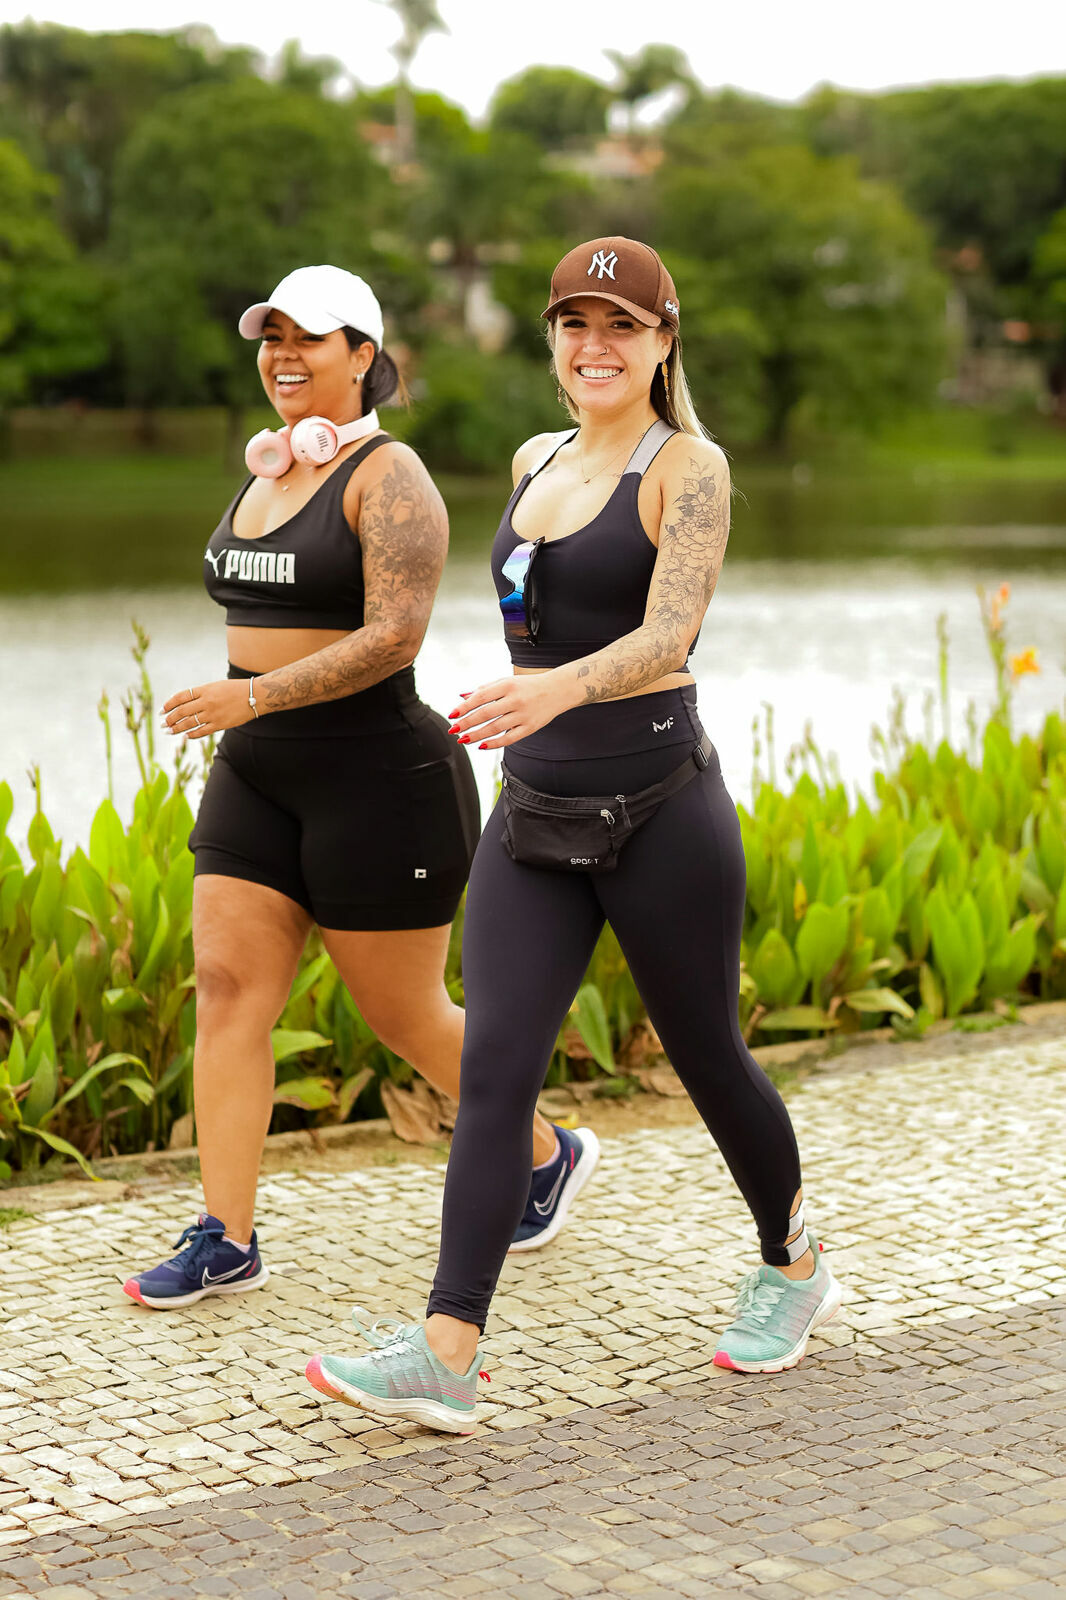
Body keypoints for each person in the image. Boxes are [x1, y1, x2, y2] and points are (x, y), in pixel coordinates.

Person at [304, 238, 843, 1432]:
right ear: (552, 340)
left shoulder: (685, 466)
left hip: (660, 806)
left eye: (622, 325)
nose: (595, 346)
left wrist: (552, 689)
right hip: (534, 809)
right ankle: (448, 1346)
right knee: (494, 1067)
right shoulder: (532, 457)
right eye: (573, 324)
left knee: (707, 1053)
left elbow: (669, 633)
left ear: (662, 341)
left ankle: (792, 1261)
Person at [124, 265, 598, 1310]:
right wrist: (249, 718)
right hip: (257, 777)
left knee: (404, 1016)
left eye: (311, 338)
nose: (283, 355)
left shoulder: (392, 478)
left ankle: (544, 1151)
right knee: (228, 991)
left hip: (377, 777)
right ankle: (225, 1233)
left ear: (364, 357)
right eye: (270, 336)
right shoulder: (264, 470)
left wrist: (251, 698)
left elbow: (394, 638)